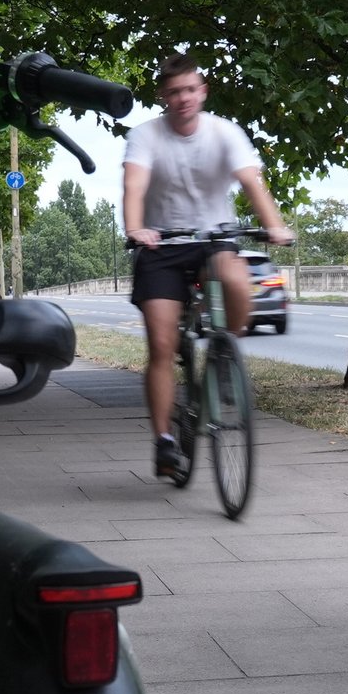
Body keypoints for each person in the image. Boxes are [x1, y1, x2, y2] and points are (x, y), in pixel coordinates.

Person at [123, 53, 293, 480]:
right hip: (161, 244)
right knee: (161, 345)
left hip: (213, 239)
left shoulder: (224, 132)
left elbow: (252, 181)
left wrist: (273, 225)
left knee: (237, 281)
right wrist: (136, 228)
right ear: (163, 97)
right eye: (174, 92)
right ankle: (164, 441)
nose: (183, 98)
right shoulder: (145, 136)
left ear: (202, 91)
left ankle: (222, 355)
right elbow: (134, 184)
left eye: (189, 89)